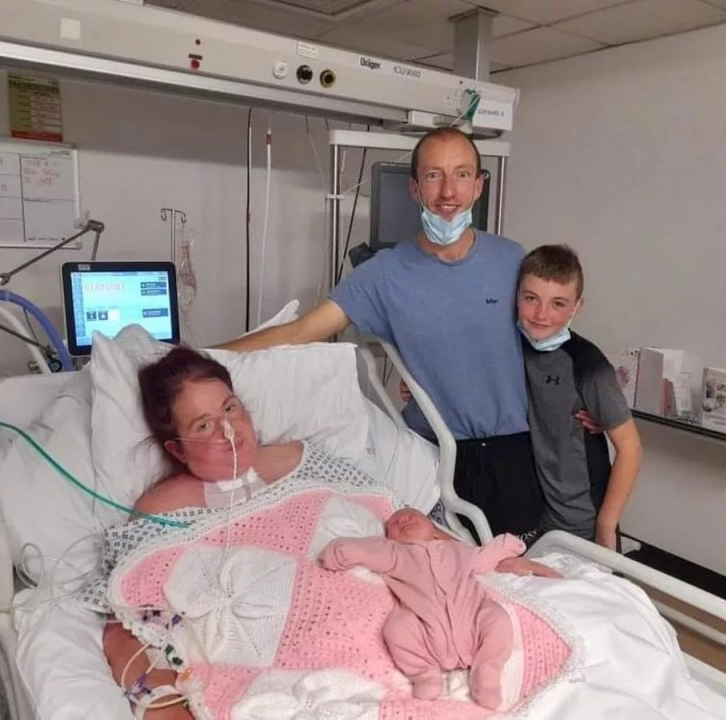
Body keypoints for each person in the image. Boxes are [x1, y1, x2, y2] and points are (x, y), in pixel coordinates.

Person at [217, 127, 546, 540]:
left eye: (462, 175)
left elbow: (550, 340)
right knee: (441, 576)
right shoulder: (384, 274)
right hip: (434, 455)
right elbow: (301, 331)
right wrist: (202, 357)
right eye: (433, 176)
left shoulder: (511, 259)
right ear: (413, 188)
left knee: (521, 574)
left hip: (515, 449)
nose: (448, 191)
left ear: (478, 186)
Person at [99, 346, 390, 720]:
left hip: (375, 623)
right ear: (177, 449)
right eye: (203, 425)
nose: (229, 431)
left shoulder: (303, 460)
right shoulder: (159, 511)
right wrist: (162, 704)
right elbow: (122, 616)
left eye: (230, 408)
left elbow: (394, 522)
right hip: (275, 666)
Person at [319, 508, 558, 710]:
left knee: (497, 618)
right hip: (425, 626)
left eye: (413, 516)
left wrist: (507, 544)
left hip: (471, 617)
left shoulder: (456, 550)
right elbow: (363, 551)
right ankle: (423, 674)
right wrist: (340, 552)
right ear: (389, 538)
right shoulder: (393, 553)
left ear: (435, 531)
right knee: (397, 629)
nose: (403, 519)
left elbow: (484, 558)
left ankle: (487, 668)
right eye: (395, 523)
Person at [516, 245, 642, 551]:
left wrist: (605, 527)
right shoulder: (507, 346)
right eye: (531, 298)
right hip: (526, 507)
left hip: (577, 517)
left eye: (558, 304)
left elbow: (631, 448)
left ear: (576, 307)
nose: (541, 315)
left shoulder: (587, 365)